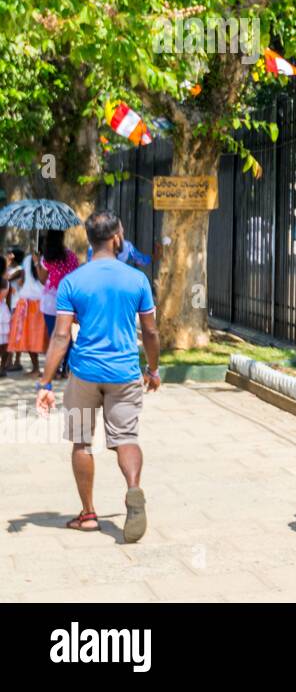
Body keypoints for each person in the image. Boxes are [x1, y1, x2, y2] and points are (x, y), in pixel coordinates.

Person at [36, 211, 161, 542]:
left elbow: (61, 337)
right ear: (117, 237)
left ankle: (88, 514)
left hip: (84, 373)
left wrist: (45, 382)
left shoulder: (73, 281)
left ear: (90, 240)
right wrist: (153, 369)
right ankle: (133, 489)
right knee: (126, 439)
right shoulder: (136, 280)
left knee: (81, 441)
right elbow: (150, 331)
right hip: (124, 372)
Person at [36, 230, 80, 380]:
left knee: (54, 335)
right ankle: (67, 368)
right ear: (62, 238)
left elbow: (42, 280)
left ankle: (54, 369)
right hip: (67, 299)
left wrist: (37, 263)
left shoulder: (47, 257)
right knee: (66, 334)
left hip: (50, 301)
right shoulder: (72, 256)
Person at [8, 245, 47, 372]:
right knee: (36, 335)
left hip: (28, 301)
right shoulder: (43, 259)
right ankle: (40, 368)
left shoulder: (35, 260)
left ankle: (36, 368)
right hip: (37, 301)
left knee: (30, 335)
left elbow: (24, 280)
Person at [0, 274, 11, 377]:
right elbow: (9, 301)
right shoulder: (6, 282)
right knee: (4, 342)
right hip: (4, 311)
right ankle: (2, 367)